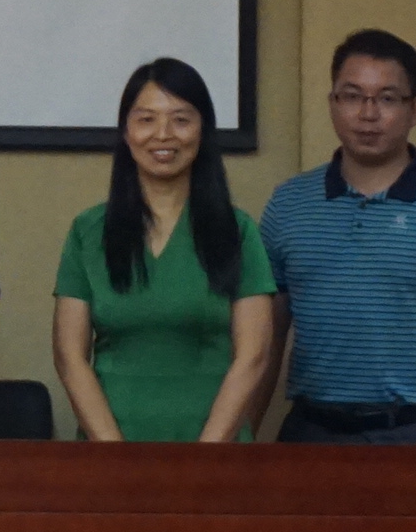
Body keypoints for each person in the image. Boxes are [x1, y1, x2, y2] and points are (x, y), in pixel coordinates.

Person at [256, 29, 416, 445]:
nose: (368, 114)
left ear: (414, 109)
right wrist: (239, 444)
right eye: (352, 96)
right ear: (332, 103)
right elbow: (265, 342)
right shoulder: (288, 205)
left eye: (387, 98)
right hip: (311, 431)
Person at [53, 57, 272, 443]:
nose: (163, 134)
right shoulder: (87, 231)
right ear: (126, 131)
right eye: (146, 119)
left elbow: (253, 356)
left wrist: (202, 459)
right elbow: (70, 357)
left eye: (181, 120)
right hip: (109, 455)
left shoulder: (237, 231)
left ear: (203, 130)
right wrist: (116, 456)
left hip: (216, 455)